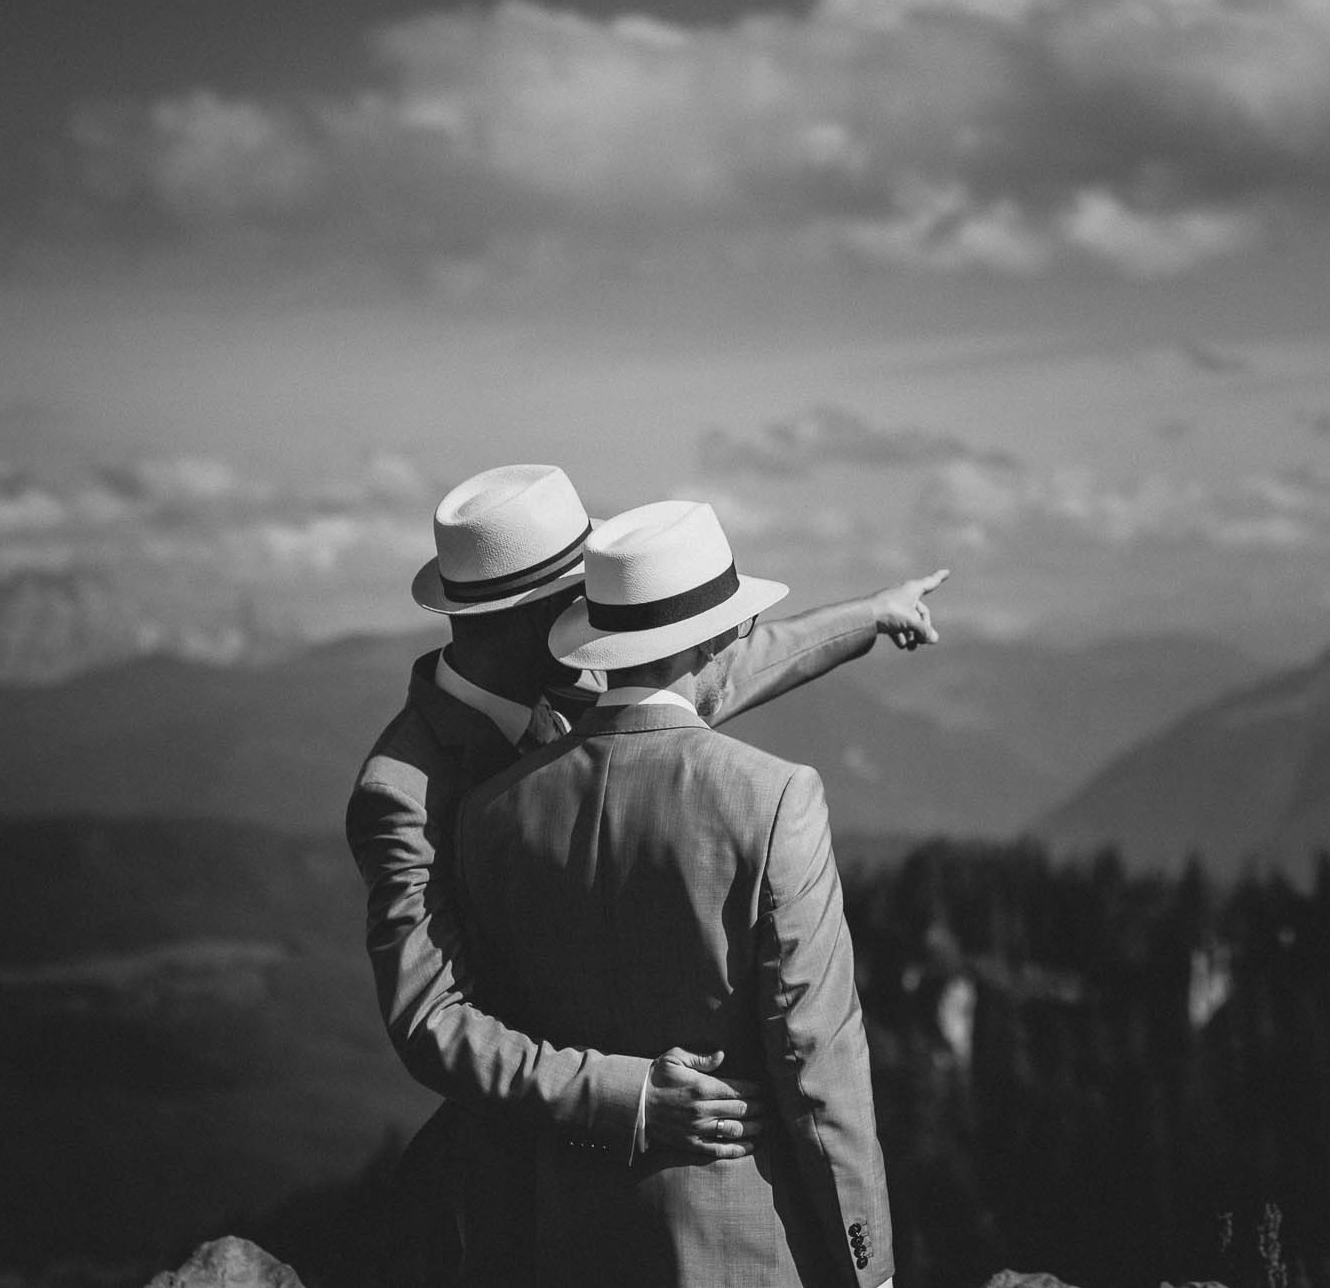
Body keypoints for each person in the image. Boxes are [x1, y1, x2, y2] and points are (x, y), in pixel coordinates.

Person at [347, 466, 942, 1282]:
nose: (598, 614)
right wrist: (629, 1097)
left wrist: (870, 614)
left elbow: (715, 664)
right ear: (529, 615)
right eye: (579, 593)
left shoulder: (576, 690)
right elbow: (431, 1023)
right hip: (526, 1197)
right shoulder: (404, 787)